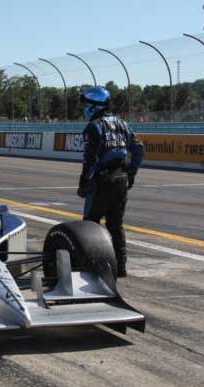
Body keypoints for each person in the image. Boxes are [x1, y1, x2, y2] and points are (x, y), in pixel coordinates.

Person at [76, 86, 144, 278]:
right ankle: (120, 267)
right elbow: (139, 149)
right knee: (116, 225)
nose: (84, 108)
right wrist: (131, 174)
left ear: (94, 105)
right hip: (121, 178)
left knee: (90, 224)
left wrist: (83, 184)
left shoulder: (93, 127)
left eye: (86, 104)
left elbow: (90, 160)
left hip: (102, 181)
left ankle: (91, 267)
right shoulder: (123, 123)